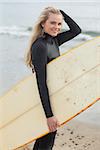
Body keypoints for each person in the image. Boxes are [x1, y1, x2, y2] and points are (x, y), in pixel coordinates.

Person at [26, 6, 81, 150]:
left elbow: (76, 30)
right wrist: (49, 115)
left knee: (44, 142)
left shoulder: (54, 41)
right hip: (44, 103)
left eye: (59, 24)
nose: (56, 27)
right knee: (45, 143)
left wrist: (60, 12)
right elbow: (41, 82)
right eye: (52, 23)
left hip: (52, 99)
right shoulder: (40, 46)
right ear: (43, 23)